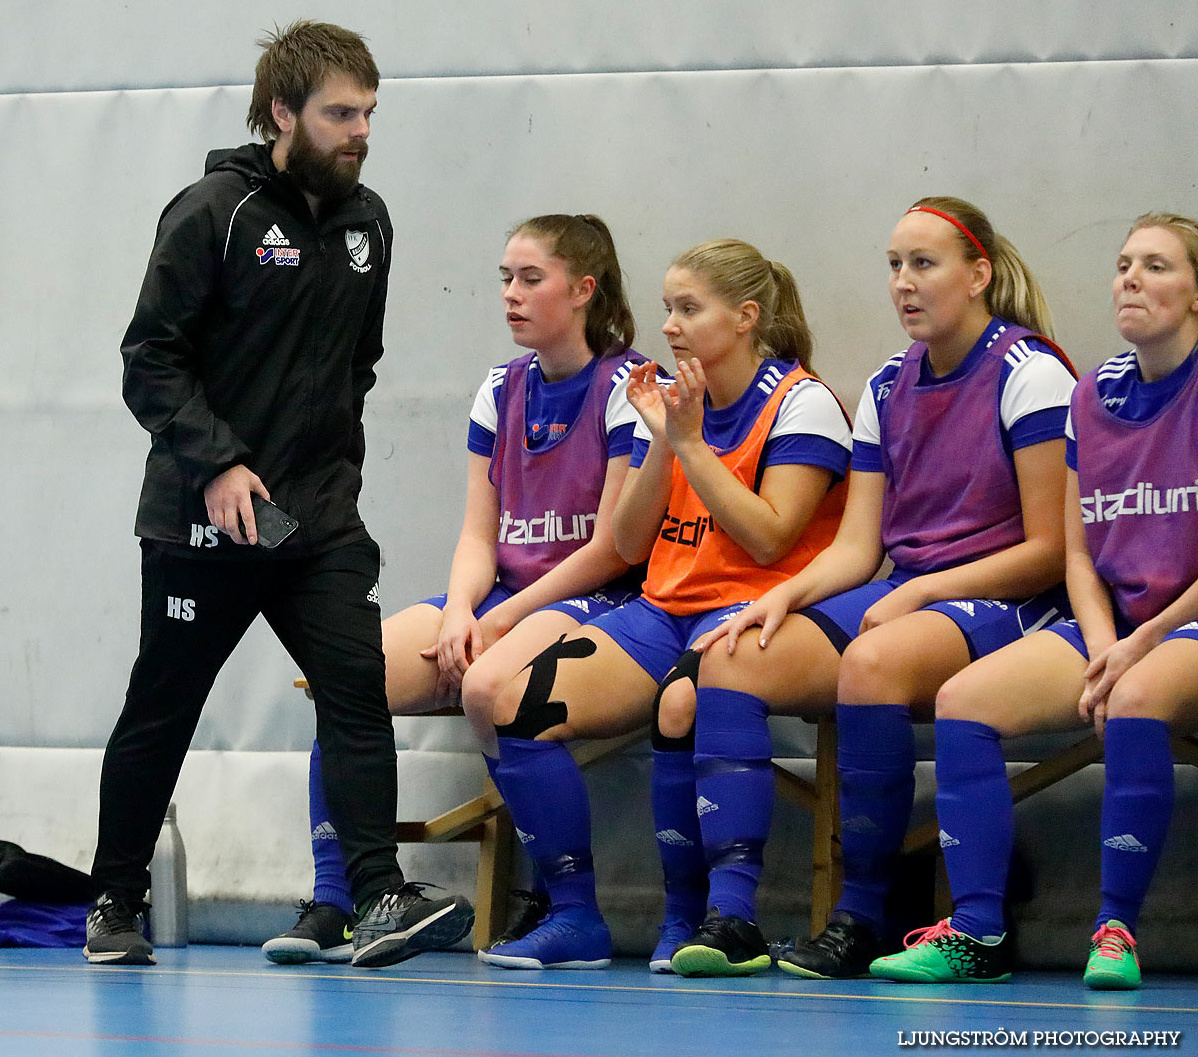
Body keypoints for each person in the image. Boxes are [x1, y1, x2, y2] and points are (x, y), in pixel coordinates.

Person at [87, 21, 471, 968]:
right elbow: (150, 360)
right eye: (342, 112)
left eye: (370, 113)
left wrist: (324, 472)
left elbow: (358, 365)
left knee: (355, 688)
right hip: (203, 521)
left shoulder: (369, 223)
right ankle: (113, 897)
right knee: (162, 707)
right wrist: (217, 463)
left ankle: (378, 891)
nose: (360, 131)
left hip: (320, 522)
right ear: (280, 112)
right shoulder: (211, 211)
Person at [688, 197, 1073, 978]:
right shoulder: (888, 382)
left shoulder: (1031, 375)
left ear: (977, 276)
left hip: (1013, 600)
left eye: (923, 264)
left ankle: (864, 910)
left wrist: (921, 594)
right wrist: (788, 593)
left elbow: (1050, 549)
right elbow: (859, 548)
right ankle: (731, 917)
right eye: (894, 265)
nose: (902, 282)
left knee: (873, 662)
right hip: (912, 591)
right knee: (732, 655)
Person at [262, 213, 650, 965]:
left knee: (502, 691)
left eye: (531, 278)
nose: (511, 294)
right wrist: (465, 609)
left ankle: (577, 912)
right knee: (345, 673)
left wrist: (503, 619)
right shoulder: (499, 389)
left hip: (595, 602)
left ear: (585, 290)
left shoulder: (627, 387)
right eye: (505, 278)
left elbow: (610, 550)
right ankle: (342, 898)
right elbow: (480, 534)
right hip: (502, 595)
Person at [467, 239, 850, 971]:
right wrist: (667, 439)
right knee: (516, 706)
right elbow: (631, 537)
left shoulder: (803, 401)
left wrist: (692, 443)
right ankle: (575, 915)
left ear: (744, 318)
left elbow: (770, 540)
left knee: (683, 704)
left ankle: (693, 918)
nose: (668, 325)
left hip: (752, 608)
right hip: (662, 607)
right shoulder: (675, 402)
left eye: (688, 309)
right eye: (667, 307)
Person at [870, 213, 1198, 989]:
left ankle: (1115, 930)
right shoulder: (1095, 394)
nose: (1131, 280)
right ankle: (976, 933)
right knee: (964, 700)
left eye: (1156, 266)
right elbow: (1078, 550)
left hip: (1178, 626)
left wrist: (1138, 644)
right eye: (1124, 265)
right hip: (1113, 627)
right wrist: (1098, 641)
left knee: (1141, 693)